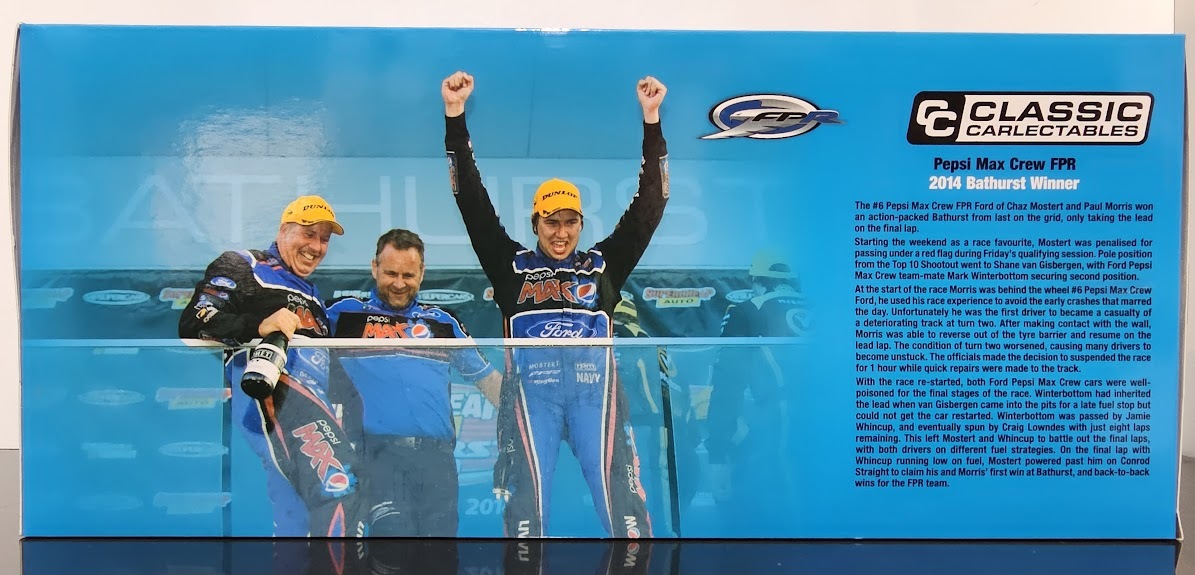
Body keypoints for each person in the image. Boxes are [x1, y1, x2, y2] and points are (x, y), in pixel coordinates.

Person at [441, 70, 668, 538]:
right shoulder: (511, 267)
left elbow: (652, 204)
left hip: (596, 398)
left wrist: (652, 122)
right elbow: (471, 200)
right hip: (531, 400)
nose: (561, 233)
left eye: (570, 222)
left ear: (581, 224)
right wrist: (455, 116)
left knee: (623, 508)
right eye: (551, 221)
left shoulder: (603, 266)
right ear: (535, 223)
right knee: (526, 514)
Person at [177, 195, 371, 539]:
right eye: (308, 234)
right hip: (274, 395)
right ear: (283, 230)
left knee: (295, 521)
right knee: (341, 488)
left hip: (316, 412)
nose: (316, 247)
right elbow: (195, 320)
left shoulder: (313, 297)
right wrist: (259, 325)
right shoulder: (246, 264)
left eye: (324, 239)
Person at [325, 228, 502, 540]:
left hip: (436, 461)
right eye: (390, 273)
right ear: (374, 268)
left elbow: (488, 381)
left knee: (440, 555)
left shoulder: (442, 322)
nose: (398, 283)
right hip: (376, 456)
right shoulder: (343, 315)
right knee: (392, 546)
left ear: (422, 273)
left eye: (408, 275)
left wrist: (528, 418)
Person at [704, 249, 805, 534]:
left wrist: (718, 452)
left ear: (757, 282)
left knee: (770, 514)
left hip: (777, 420)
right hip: (833, 418)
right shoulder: (824, 308)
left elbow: (727, 383)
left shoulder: (746, 311)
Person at [611, 296, 697, 535]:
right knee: (667, 491)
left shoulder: (615, 337)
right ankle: (669, 536)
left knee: (641, 486)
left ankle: (649, 538)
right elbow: (683, 393)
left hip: (642, 426)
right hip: (677, 433)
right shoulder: (655, 342)